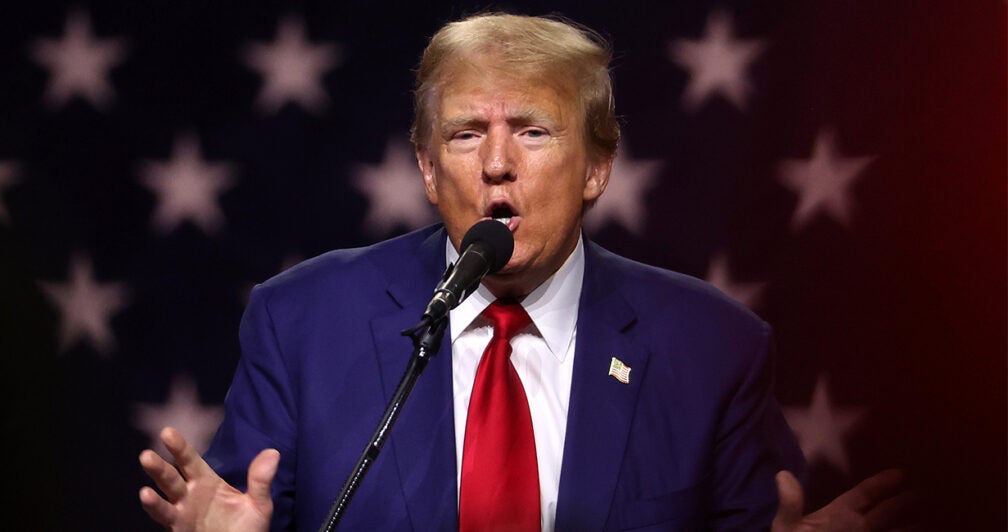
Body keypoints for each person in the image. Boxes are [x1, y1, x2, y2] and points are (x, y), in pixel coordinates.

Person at [139, 13, 906, 531]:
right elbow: (241, 509)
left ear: (597, 167)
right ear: (429, 169)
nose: (498, 165)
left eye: (533, 131)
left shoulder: (714, 347)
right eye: (467, 133)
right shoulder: (303, 320)